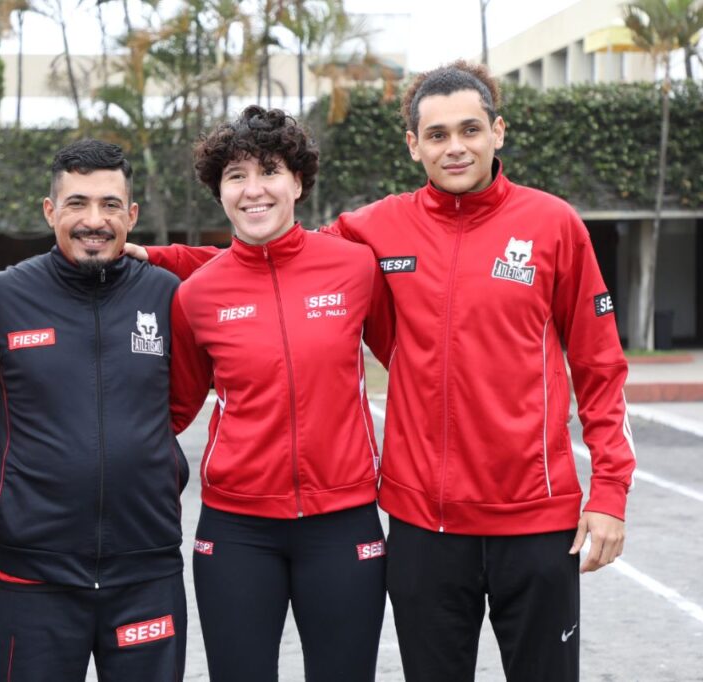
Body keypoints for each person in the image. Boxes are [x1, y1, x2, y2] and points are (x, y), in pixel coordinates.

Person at [133, 61, 636, 682]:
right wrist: (158, 259)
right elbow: (273, 259)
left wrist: (610, 491)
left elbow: (600, 365)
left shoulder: (554, 225)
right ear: (413, 144)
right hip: (424, 525)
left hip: (535, 518)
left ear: (498, 132)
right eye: (437, 134)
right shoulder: (373, 229)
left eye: (470, 130)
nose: (455, 147)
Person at [166, 106, 395, 681]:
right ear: (219, 191)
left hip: (343, 520)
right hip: (237, 528)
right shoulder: (196, 295)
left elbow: (413, 367)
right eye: (235, 175)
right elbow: (172, 410)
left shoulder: (356, 268)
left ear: (297, 180)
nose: (253, 189)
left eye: (269, 170)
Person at [0, 139, 188, 681]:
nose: (93, 220)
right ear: (50, 211)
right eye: (76, 203)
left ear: (131, 215)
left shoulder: (169, 296)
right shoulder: (3, 296)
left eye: (110, 205)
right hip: (34, 576)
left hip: (146, 570)